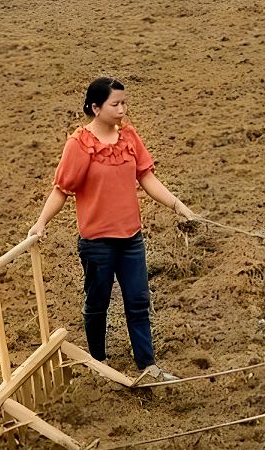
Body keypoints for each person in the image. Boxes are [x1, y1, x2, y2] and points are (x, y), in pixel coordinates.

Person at [28, 76, 197, 383]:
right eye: (115, 104)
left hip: (131, 238)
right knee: (97, 303)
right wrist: (40, 223)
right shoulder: (79, 145)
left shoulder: (129, 138)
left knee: (137, 300)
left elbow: (146, 177)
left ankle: (148, 364)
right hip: (97, 243)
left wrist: (177, 205)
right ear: (95, 107)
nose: (122, 109)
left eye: (124, 102)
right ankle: (98, 360)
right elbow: (61, 190)